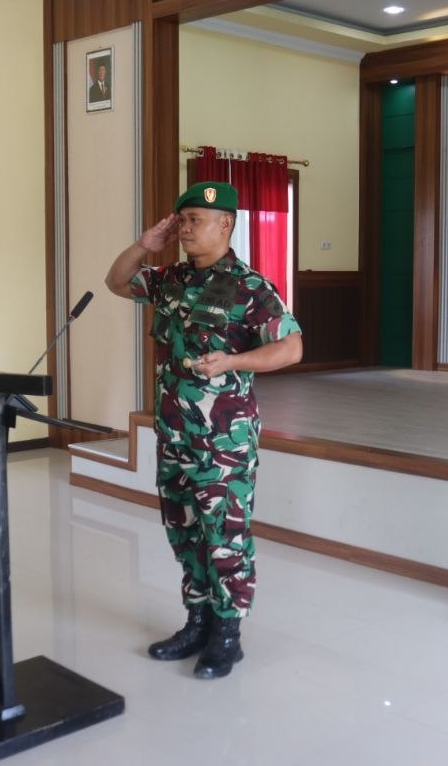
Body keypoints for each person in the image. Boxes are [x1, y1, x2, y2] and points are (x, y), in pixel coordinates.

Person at [105, 181, 303, 678]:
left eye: (195, 220)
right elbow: (116, 281)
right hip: (173, 434)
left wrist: (233, 360)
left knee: (225, 536)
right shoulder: (170, 279)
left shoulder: (250, 287)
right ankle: (197, 621)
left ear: (225, 224)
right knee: (183, 530)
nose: (185, 229)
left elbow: (291, 348)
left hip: (223, 443)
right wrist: (143, 246)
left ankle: (227, 635)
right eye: (182, 220)